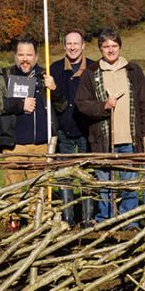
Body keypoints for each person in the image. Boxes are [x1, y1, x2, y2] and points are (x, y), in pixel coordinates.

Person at [75, 29, 145, 222]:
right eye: (106, 46)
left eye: (114, 46)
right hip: (103, 140)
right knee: (104, 185)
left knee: (129, 184)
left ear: (120, 47)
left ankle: (129, 221)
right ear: (100, 49)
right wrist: (104, 106)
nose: (110, 50)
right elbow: (81, 104)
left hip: (130, 138)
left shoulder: (133, 71)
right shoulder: (91, 73)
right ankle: (105, 219)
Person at [0, 35, 67, 186]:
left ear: (36, 56)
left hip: (42, 146)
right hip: (14, 146)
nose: (25, 59)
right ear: (15, 56)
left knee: (39, 190)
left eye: (29, 55)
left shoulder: (45, 76)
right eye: (21, 55)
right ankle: (13, 210)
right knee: (13, 191)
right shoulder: (5, 77)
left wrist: (55, 89)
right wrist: (19, 104)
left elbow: (62, 106)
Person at [50, 28, 96, 223]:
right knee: (64, 175)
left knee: (87, 174)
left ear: (83, 45)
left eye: (76, 43)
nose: (72, 47)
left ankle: (87, 218)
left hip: (87, 131)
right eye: (69, 43)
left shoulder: (94, 67)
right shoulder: (55, 69)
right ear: (64, 46)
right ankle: (68, 217)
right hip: (63, 129)